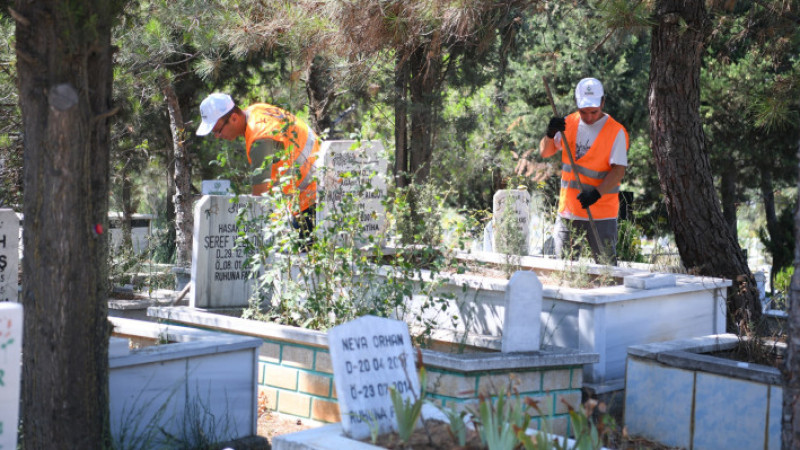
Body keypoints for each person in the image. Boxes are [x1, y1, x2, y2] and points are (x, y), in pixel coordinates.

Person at [196, 93, 320, 241]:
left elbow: (259, 199)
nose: (217, 136)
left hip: (313, 198)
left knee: (299, 256)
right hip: (319, 189)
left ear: (234, 118)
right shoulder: (256, 110)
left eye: (217, 130)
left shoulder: (260, 137)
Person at [539, 77, 629, 263]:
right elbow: (545, 152)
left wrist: (596, 194)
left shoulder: (616, 131)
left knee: (607, 270)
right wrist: (550, 134)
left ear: (602, 102)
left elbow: (618, 171)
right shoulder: (568, 123)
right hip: (569, 212)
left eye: (594, 112)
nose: (589, 117)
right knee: (563, 269)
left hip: (602, 214)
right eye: (583, 111)